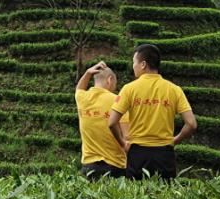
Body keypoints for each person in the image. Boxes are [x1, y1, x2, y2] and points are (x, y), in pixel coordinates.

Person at [108, 44, 197, 180]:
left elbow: (112, 122)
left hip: (137, 152)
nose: (133, 66)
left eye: (134, 62)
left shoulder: (129, 89)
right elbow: (191, 124)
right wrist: (175, 140)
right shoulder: (174, 89)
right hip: (164, 153)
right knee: (164, 198)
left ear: (143, 64)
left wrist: (123, 143)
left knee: (136, 197)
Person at [75, 61, 130, 179]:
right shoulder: (118, 101)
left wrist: (87, 73)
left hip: (89, 167)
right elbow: (127, 138)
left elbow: (79, 88)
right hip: (115, 166)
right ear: (110, 79)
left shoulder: (82, 98)